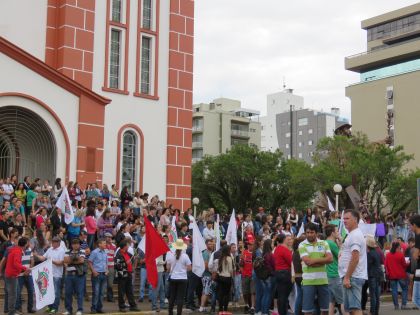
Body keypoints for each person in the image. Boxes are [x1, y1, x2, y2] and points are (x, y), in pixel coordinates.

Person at [298, 222, 332, 315]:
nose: (309, 234)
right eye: (307, 232)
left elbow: (330, 259)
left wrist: (314, 261)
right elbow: (308, 262)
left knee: (325, 310)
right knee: (308, 311)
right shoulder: (302, 245)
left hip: (323, 281)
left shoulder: (324, 243)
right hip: (308, 282)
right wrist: (323, 260)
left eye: (312, 232)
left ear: (316, 233)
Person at [338, 209, 367, 315]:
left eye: (347, 218)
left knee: (355, 308)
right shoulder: (352, 234)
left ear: (355, 220)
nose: (344, 221)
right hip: (351, 276)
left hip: (352, 277)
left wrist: (347, 277)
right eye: (343, 218)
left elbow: (355, 258)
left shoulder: (355, 235)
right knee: (351, 309)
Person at [36, 236, 65, 314]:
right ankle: (50, 307)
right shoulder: (49, 249)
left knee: (56, 292)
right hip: (48, 274)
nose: (53, 243)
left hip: (57, 274)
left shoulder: (62, 251)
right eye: (52, 241)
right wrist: (36, 255)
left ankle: (55, 308)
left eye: (55, 242)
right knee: (49, 292)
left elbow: (61, 263)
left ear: (58, 243)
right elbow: (43, 258)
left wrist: (51, 261)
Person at [4, 237, 31, 315]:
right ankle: (11, 312)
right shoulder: (17, 251)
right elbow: (16, 264)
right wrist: (25, 268)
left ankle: (11, 311)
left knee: (12, 294)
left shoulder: (15, 249)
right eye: (27, 243)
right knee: (13, 295)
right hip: (12, 275)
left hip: (10, 274)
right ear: (25, 244)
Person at [166, 238, 192, 315]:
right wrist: (183, 270)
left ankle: (170, 312)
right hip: (183, 278)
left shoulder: (171, 255)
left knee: (172, 297)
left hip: (173, 278)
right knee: (180, 298)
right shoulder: (185, 256)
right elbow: (189, 268)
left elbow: (167, 268)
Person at [324, 224, 346, 315]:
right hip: (335, 274)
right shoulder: (332, 244)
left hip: (329, 274)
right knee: (342, 301)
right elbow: (341, 256)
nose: (338, 233)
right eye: (337, 231)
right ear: (332, 233)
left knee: (331, 301)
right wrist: (341, 243)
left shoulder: (325, 242)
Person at [114, 239, 138, 312]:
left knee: (129, 291)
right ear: (124, 246)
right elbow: (117, 265)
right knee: (121, 291)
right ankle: (121, 306)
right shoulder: (119, 254)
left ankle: (133, 305)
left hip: (129, 274)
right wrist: (125, 263)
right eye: (128, 245)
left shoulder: (127, 253)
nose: (129, 246)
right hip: (122, 275)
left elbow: (133, 258)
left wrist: (133, 264)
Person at [63, 238, 86, 315]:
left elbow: (81, 260)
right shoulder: (67, 251)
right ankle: (68, 310)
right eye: (74, 244)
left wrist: (70, 260)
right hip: (69, 275)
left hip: (79, 275)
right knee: (68, 293)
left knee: (79, 293)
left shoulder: (82, 251)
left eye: (77, 244)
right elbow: (65, 261)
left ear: (79, 245)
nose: (75, 245)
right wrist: (75, 259)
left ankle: (80, 310)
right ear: (72, 245)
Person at [385, 241, 409, 310]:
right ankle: (403, 305)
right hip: (401, 274)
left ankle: (396, 305)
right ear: (398, 247)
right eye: (400, 247)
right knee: (404, 289)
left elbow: (386, 265)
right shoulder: (400, 255)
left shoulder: (388, 255)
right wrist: (408, 263)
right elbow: (404, 264)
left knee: (394, 290)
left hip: (392, 275)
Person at [273, 233, 293, 315]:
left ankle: (282, 312)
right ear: (284, 240)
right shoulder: (284, 249)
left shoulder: (277, 248)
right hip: (285, 273)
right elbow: (291, 261)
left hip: (278, 272)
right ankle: (283, 312)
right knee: (284, 296)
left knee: (281, 295)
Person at [88, 238, 108, 314]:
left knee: (102, 293)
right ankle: (93, 308)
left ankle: (99, 308)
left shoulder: (105, 252)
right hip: (97, 274)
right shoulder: (94, 252)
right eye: (104, 243)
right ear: (99, 244)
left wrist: (107, 270)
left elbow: (106, 262)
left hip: (104, 274)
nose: (105, 244)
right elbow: (90, 262)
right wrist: (93, 271)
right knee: (96, 292)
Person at [365, 235, 382, 315]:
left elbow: (367, 266)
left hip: (372, 275)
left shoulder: (369, 254)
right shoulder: (377, 252)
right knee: (376, 295)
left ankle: (373, 311)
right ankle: (376, 311)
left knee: (373, 295)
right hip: (378, 275)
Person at [199, 239, 214, 312]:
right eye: (209, 244)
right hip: (206, 275)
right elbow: (206, 265)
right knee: (206, 291)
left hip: (209, 275)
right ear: (206, 245)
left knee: (207, 291)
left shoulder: (211, 252)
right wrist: (212, 272)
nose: (211, 245)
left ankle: (204, 306)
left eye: (212, 244)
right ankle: (201, 307)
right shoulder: (205, 253)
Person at [409, 214, 420, 309]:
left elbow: (415, 255)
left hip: (419, 270)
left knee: (416, 297)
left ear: (415, 225)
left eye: (410, 225)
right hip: (418, 270)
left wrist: (416, 254)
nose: (409, 227)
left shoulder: (418, 236)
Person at [104, 232, 116, 302]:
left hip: (111, 266)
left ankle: (110, 297)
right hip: (103, 266)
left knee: (110, 283)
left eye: (110, 237)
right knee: (103, 282)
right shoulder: (102, 245)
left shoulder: (114, 246)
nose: (109, 238)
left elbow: (114, 256)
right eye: (107, 237)